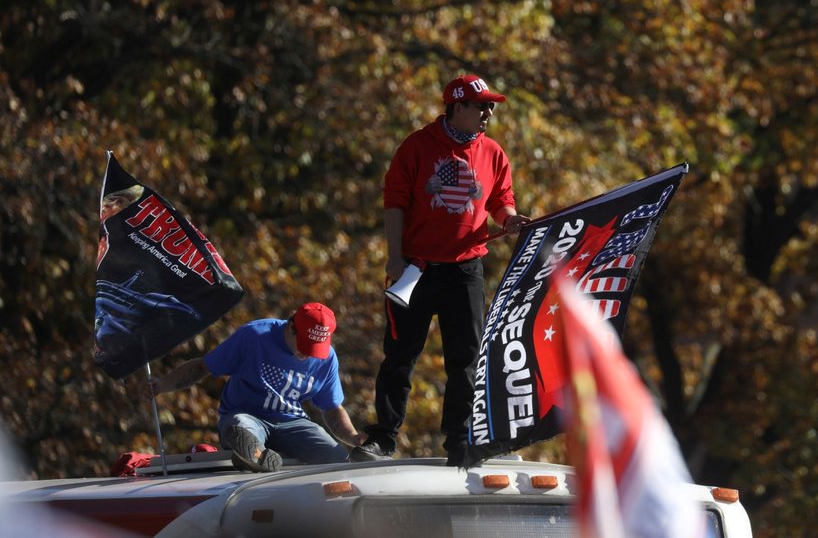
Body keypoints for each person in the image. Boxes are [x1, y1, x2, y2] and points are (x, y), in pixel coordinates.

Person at [352, 73, 530, 467]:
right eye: (482, 105)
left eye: (491, 106)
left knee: (465, 357)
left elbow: (502, 198)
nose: (488, 113)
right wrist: (394, 256)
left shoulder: (493, 152)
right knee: (400, 355)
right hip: (415, 266)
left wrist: (511, 218)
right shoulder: (417, 146)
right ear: (457, 106)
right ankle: (383, 436)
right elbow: (394, 202)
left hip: (465, 269)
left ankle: (459, 439)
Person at [146, 302, 367, 472]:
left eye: (315, 349)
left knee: (337, 457)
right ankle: (254, 454)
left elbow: (331, 407)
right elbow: (204, 366)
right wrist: (162, 385)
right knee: (239, 425)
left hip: (292, 422)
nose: (308, 354)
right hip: (247, 414)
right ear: (291, 327)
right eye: (305, 346)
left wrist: (354, 437)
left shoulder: (327, 358)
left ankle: (260, 455)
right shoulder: (255, 336)